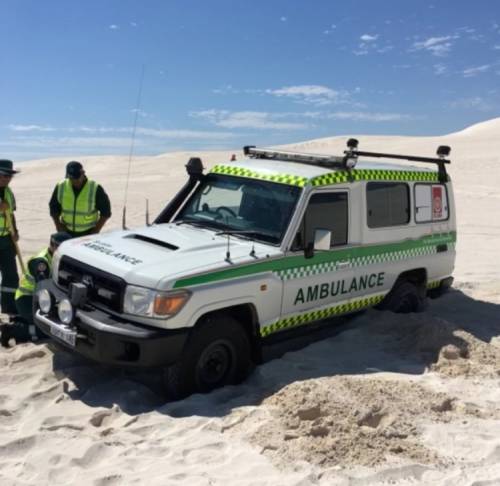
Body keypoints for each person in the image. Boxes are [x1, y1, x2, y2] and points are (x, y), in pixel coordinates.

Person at [0, 231, 72, 347]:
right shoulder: (41, 262)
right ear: (53, 246)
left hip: (36, 299)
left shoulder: (55, 257)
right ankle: (12, 330)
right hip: (27, 299)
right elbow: (43, 290)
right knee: (49, 330)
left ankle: (22, 321)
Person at [49, 161, 111, 238]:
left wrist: (95, 231)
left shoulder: (95, 188)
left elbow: (106, 212)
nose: (75, 181)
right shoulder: (61, 186)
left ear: (83, 173)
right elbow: (53, 208)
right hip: (66, 232)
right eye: (72, 178)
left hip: (88, 233)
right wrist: (58, 226)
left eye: (77, 178)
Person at [0, 159, 20, 317]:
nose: (7, 178)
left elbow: (10, 214)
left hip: (6, 239)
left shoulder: (8, 192)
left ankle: (8, 306)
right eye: (4, 175)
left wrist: (15, 230)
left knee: (11, 275)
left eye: (9, 176)